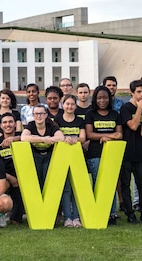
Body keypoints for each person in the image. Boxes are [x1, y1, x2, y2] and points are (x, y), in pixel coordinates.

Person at [85, 85, 122, 225]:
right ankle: (99, 211)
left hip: (112, 154)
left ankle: (112, 213)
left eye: (105, 98)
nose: (102, 100)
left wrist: (108, 137)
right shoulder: (90, 114)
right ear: (95, 99)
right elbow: (89, 134)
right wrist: (108, 135)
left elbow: (119, 134)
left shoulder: (115, 114)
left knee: (110, 184)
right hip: (95, 154)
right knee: (98, 183)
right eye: (99, 98)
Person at [119, 80, 142, 224]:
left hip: (140, 151)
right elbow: (133, 125)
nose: (141, 95)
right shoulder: (126, 108)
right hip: (126, 151)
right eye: (138, 92)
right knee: (125, 184)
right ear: (132, 92)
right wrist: (139, 109)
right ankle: (129, 213)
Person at [55, 95, 86, 227]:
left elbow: (83, 138)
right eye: (67, 104)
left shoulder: (80, 121)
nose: (70, 106)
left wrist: (75, 139)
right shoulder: (57, 120)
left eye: (72, 104)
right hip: (62, 158)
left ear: (76, 105)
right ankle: (68, 217)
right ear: (63, 105)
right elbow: (56, 136)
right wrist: (65, 138)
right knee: (66, 188)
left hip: (77, 157)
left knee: (78, 188)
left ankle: (77, 217)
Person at [21, 104, 64, 187]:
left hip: (49, 156)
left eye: (41, 113)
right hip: (35, 156)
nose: (39, 116)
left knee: (47, 180)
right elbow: (23, 137)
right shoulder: (31, 125)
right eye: (36, 114)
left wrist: (34, 138)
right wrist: (44, 139)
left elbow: (61, 137)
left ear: (46, 115)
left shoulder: (51, 125)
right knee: (37, 181)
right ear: (33, 115)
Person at [0, 113, 23, 225]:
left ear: (15, 124)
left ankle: (16, 216)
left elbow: (33, 138)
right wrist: (9, 177)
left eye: (10, 122)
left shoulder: (23, 137)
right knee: (3, 184)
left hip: (23, 175)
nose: (8, 125)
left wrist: (15, 138)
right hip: (6, 176)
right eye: (5, 122)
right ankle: (1, 213)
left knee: (16, 222)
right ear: (0, 125)